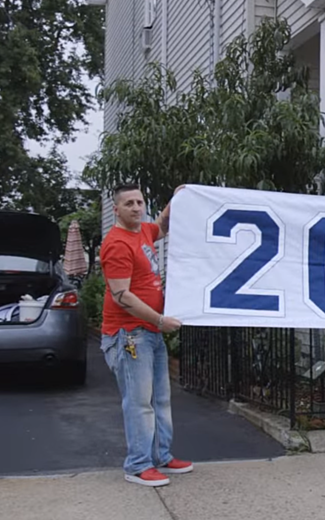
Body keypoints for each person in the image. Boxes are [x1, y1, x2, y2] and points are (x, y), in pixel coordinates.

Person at [100, 183, 191, 486]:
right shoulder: (117, 244)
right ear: (116, 209)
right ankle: (138, 465)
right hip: (129, 335)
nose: (137, 207)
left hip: (150, 332)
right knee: (139, 403)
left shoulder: (143, 233)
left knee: (161, 400)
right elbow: (121, 295)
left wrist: (178, 199)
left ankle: (162, 457)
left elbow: (162, 226)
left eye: (140, 202)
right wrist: (160, 319)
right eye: (129, 203)